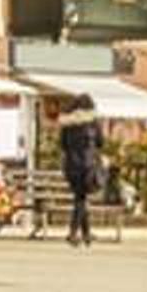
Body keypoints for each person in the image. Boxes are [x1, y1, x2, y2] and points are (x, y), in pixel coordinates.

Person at [60, 104, 106, 246]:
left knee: (80, 196)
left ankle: (86, 234)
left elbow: (62, 145)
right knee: (80, 198)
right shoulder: (92, 123)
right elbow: (101, 142)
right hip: (87, 165)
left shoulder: (67, 124)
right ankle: (73, 233)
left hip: (70, 166)